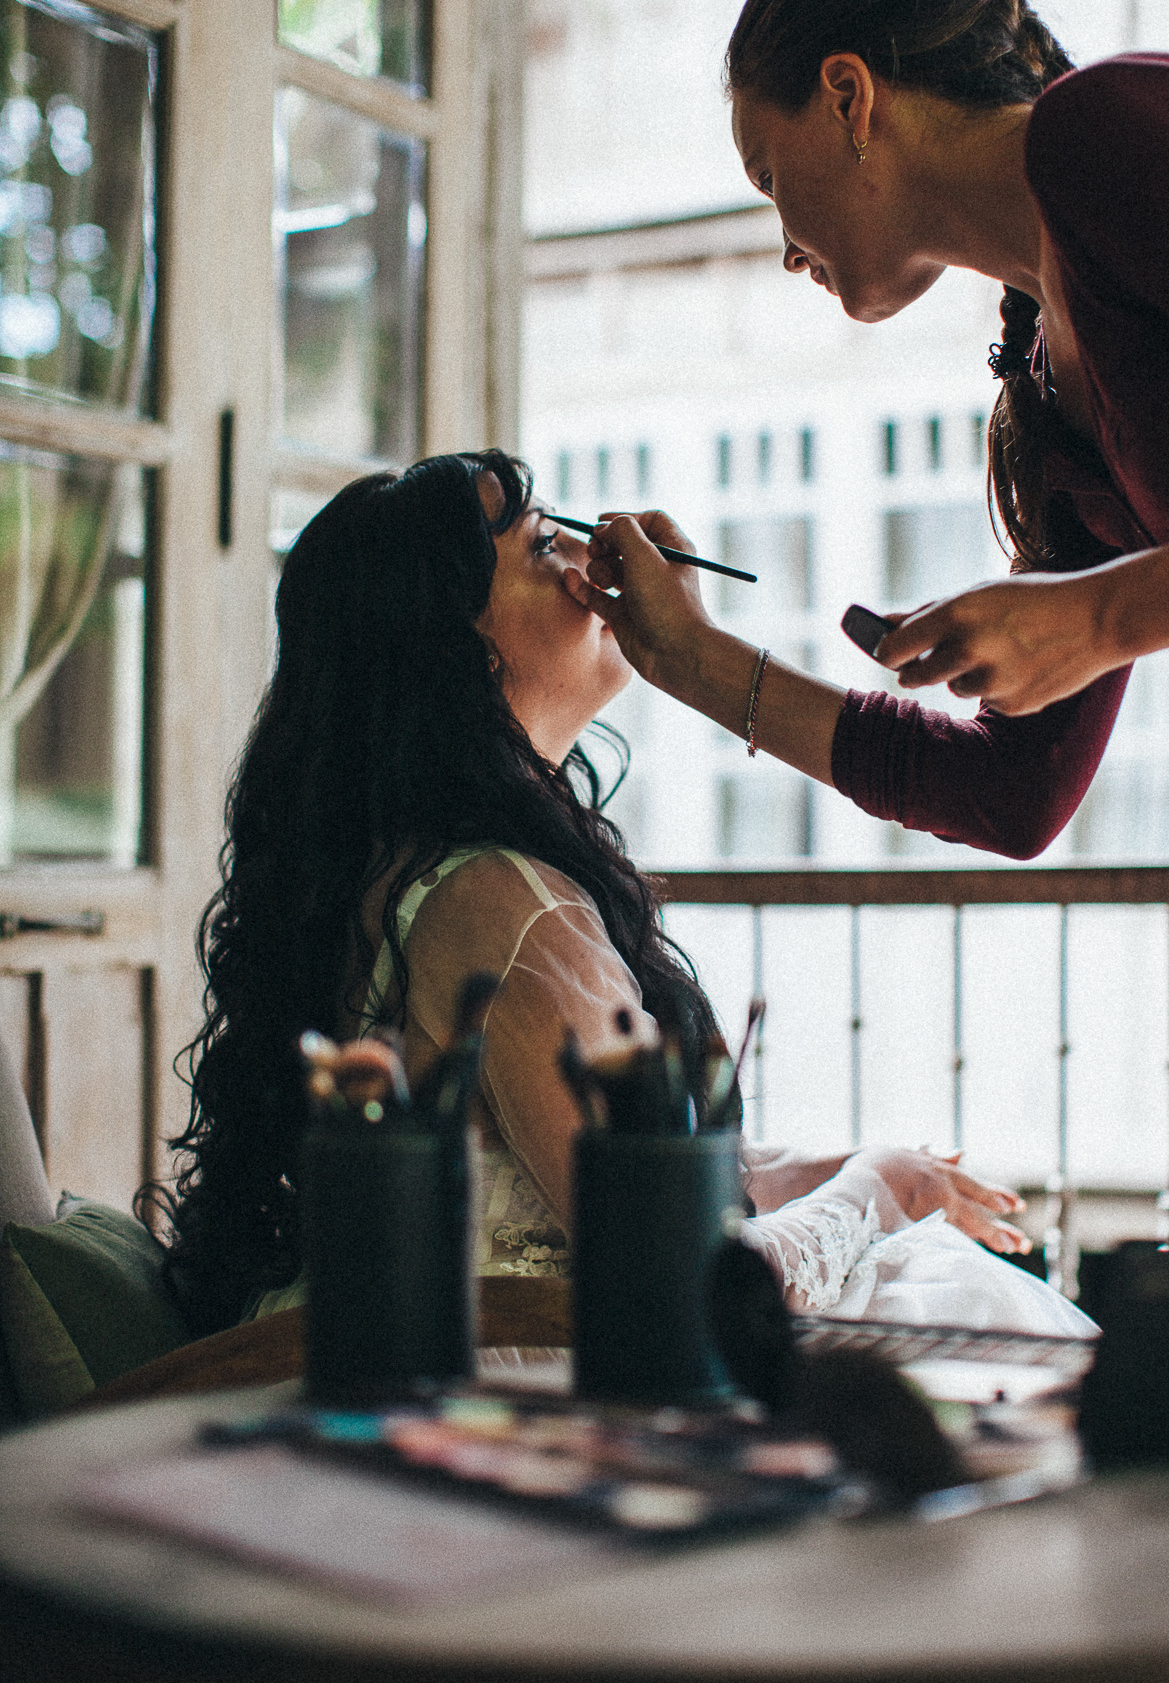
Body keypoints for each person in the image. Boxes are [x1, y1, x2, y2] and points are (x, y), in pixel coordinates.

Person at [153, 451, 1092, 1344]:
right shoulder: (505, 907)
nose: (586, 561)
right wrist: (880, 1190)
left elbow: (587, 1165)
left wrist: (853, 1165)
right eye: (539, 545)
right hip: (523, 1389)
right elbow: (685, 1281)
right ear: (457, 653)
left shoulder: (413, 869)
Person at [564, 0, 1169, 860]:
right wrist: (687, 658)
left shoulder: (1104, 132)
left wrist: (1099, 619)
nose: (785, 250)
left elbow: (1095, 632)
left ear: (848, 97)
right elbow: (1010, 795)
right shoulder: (1053, 404)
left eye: (771, 176)